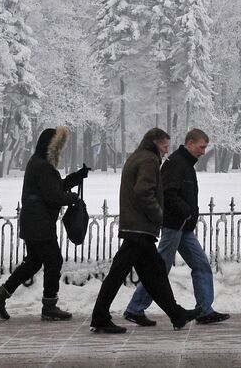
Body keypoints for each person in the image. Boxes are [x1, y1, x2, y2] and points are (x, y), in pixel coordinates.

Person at [89, 127, 192, 334]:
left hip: (136, 227)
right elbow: (143, 191)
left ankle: (176, 314)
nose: (166, 151)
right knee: (119, 274)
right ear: (154, 142)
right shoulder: (148, 160)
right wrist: (158, 215)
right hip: (139, 229)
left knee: (155, 273)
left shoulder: (139, 156)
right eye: (164, 146)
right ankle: (100, 317)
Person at [123, 128, 228, 326]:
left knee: (201, 265)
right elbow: (168, 193)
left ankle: (205, 310)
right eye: (201, 147)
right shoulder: (177, 164)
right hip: (174, 226)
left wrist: (187, 214)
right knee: (159, 270)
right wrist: (186, 211)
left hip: (183, 227)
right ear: (189, 143)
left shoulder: (184, 163)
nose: (203, 152)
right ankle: (135, 308)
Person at [0, 126, 89, 322]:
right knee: (54, 261)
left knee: (33, 263)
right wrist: (72, 197)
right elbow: (53, 195)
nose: (60, 152)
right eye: (58, 147)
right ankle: (49, 306)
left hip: (35, 222)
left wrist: (76, 177)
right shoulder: (42, 166)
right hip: (39, 224)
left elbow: (53, 187)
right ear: (50, 146)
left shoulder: (40, 164)